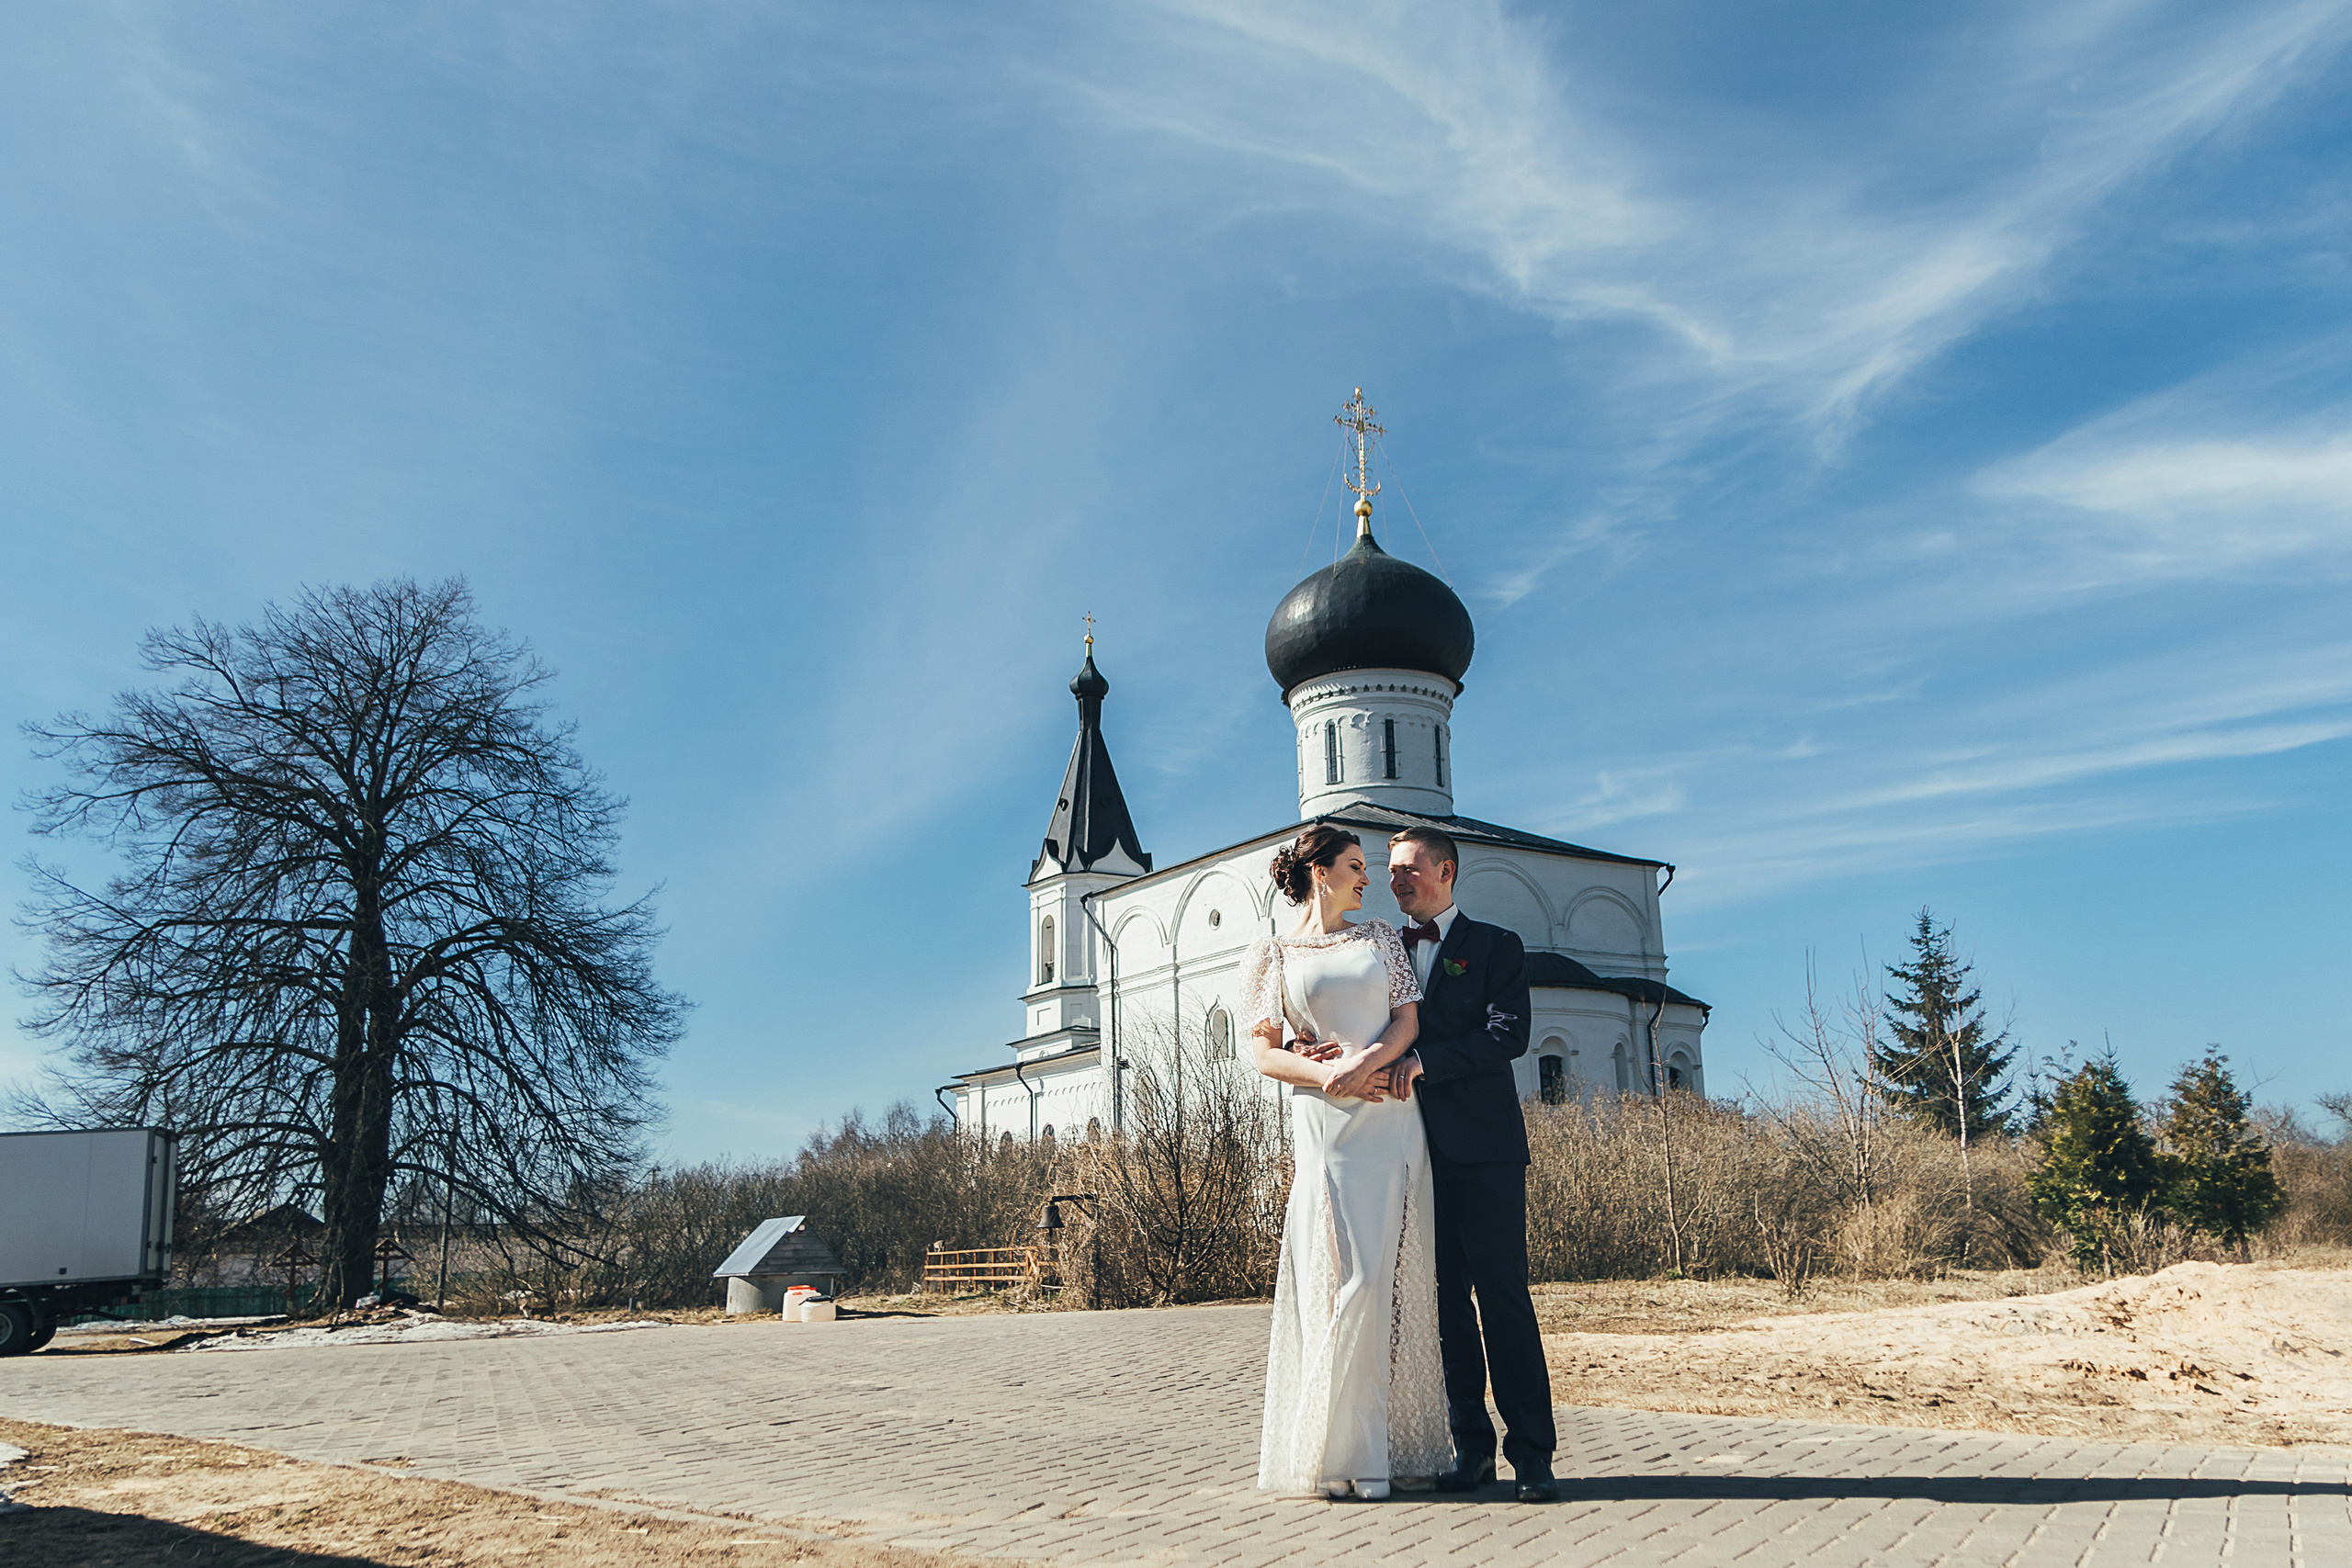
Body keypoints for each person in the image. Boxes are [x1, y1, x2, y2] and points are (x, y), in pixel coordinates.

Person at [1243, 823, 1449, 1501]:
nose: (1370, 879)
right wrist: (1323, 1075)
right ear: (1321, 871)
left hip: (1390, 1119)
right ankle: (1339, 1447)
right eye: (1357, 865)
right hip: (1326, 1124)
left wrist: (1363, 1065)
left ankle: (1372, 1450)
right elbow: (1263, 1052)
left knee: (1383, 1281)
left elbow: (1407, 1021)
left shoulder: (1381, 938)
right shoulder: (1273, 952)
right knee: (1342, 1281)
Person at [1378, 825, 1558, 1502]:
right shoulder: (1384, 951)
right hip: (1409, 1152)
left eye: (1408, 869)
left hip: (1484, 1151)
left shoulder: (1495, 946)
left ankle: (1533, 1456)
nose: (1396, 880)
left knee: (1503, 1300)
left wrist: (1427, 1061)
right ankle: (1471, 1449)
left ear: (1446, 871)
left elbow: (1508, 1034)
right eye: (1390, 871)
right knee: (1444, 1305)